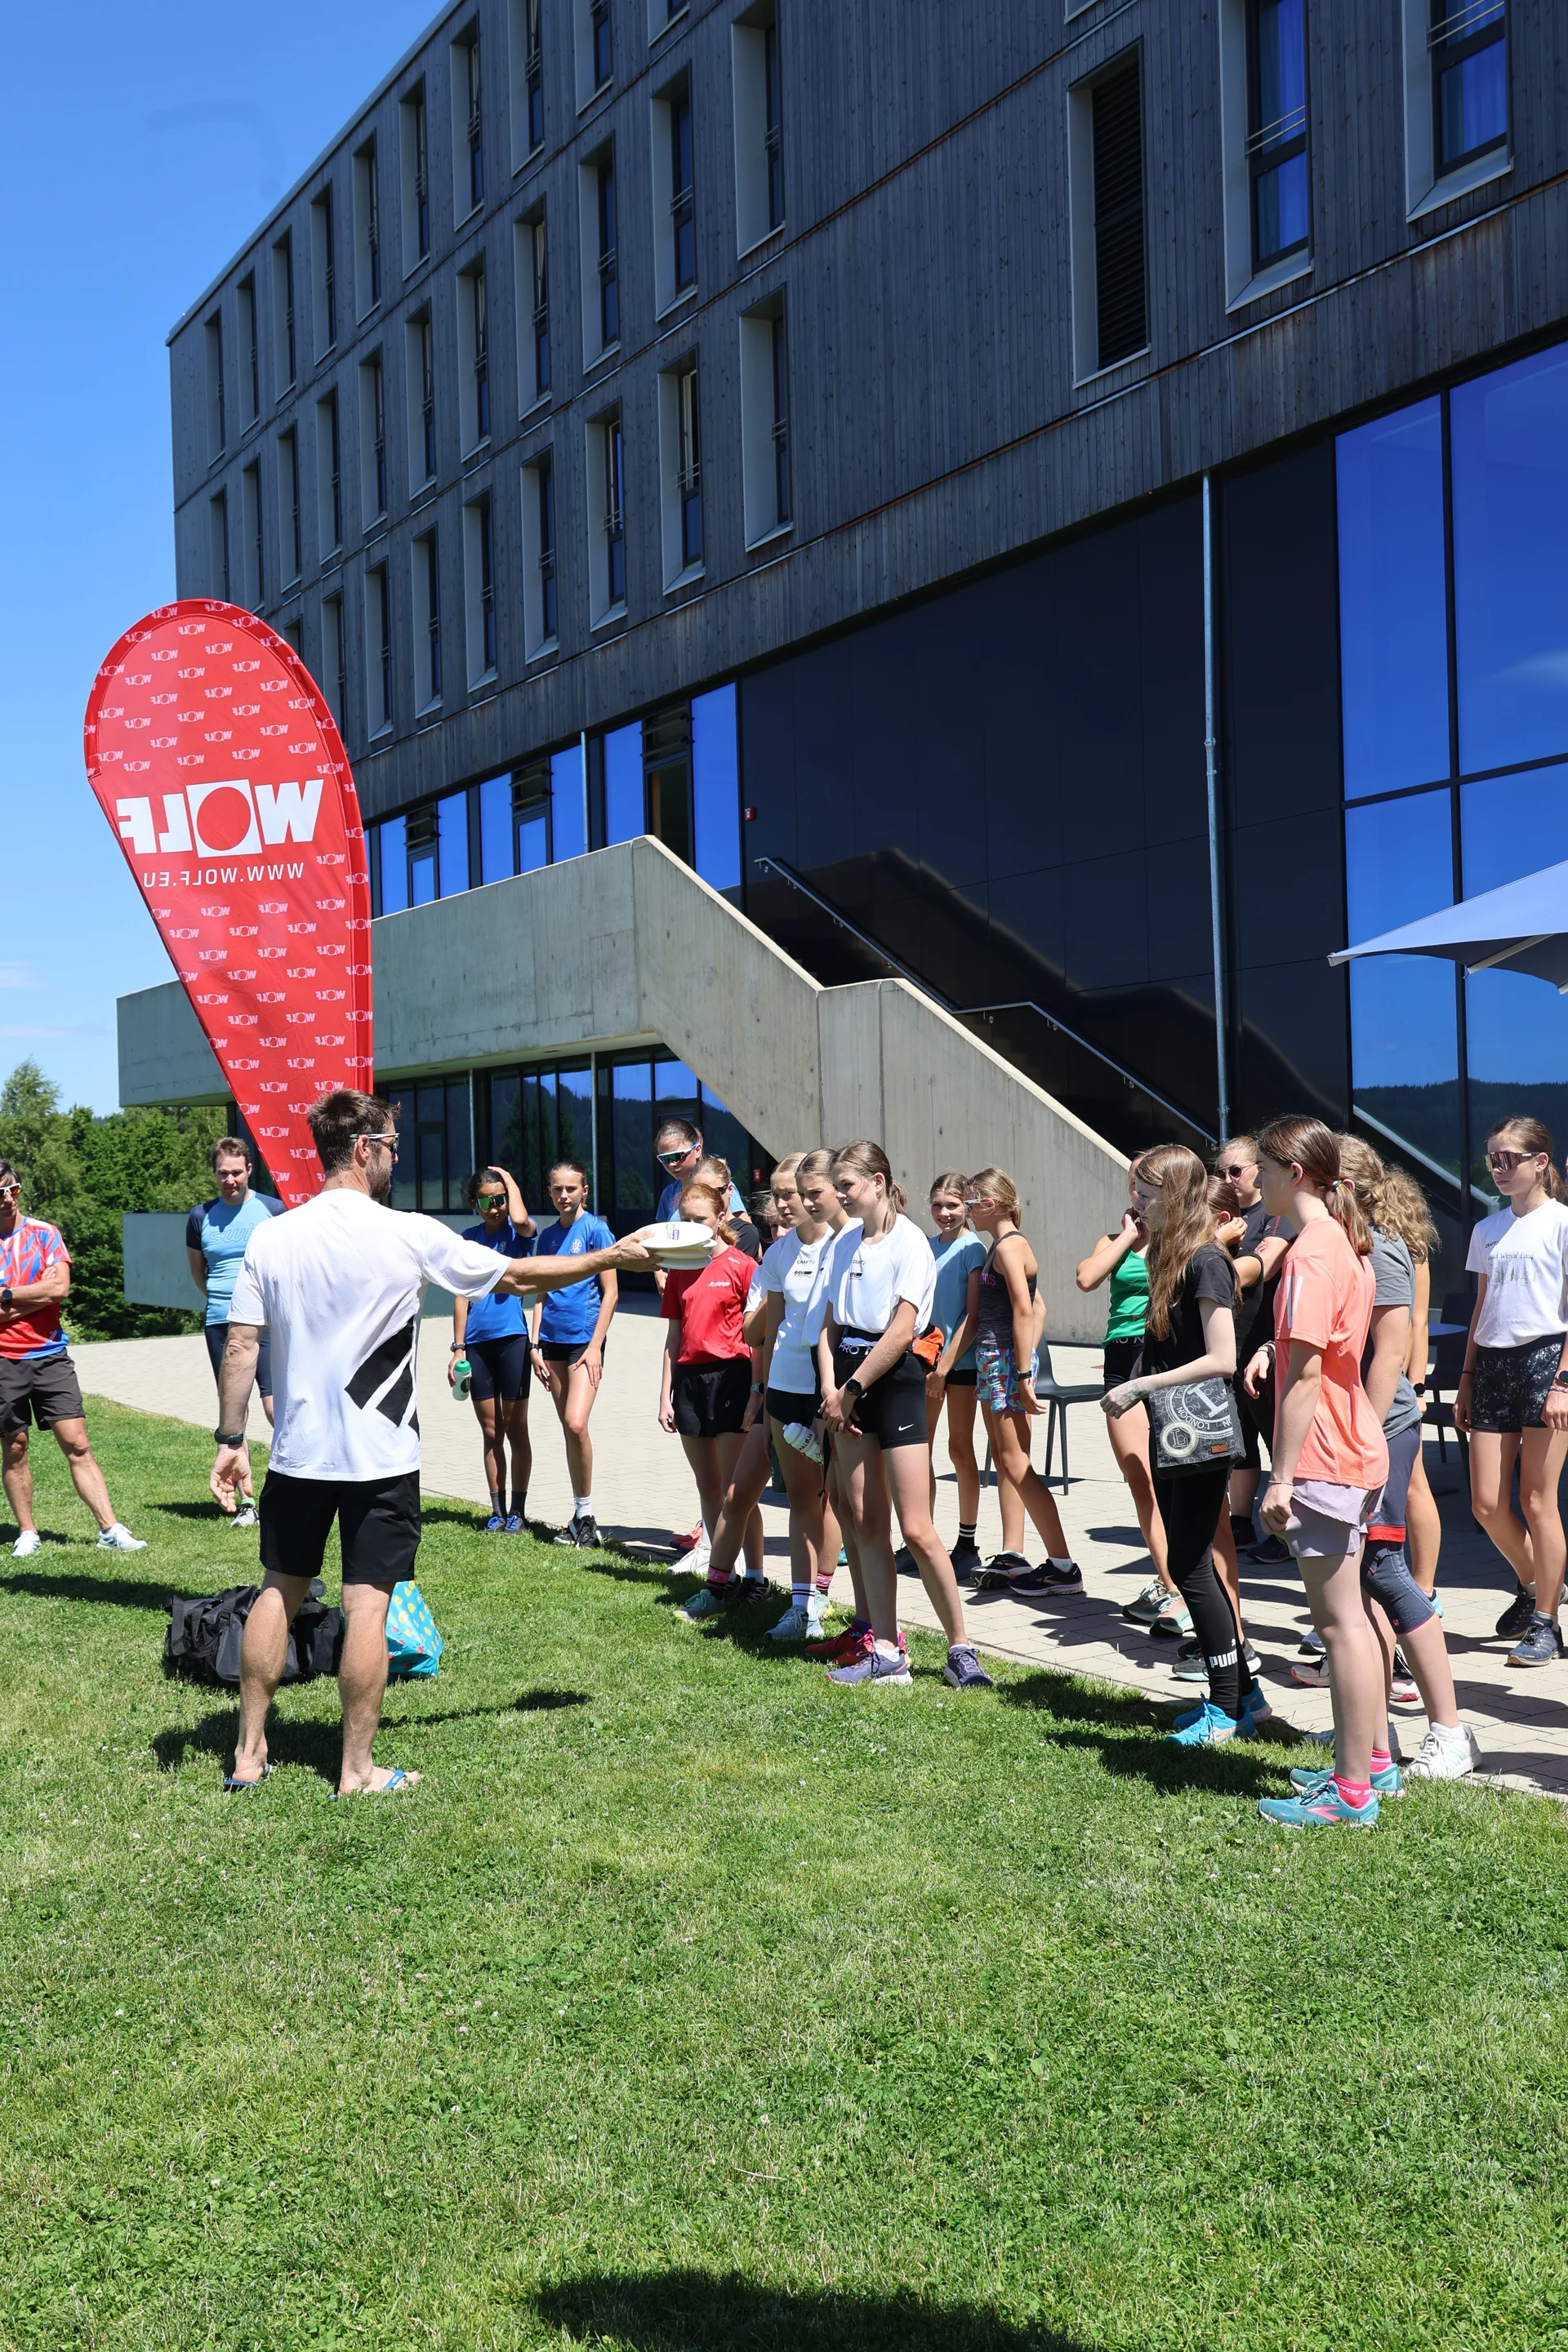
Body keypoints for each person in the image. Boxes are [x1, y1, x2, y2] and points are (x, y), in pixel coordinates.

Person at [212, 1091, 649, 1793]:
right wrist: (613, 1255)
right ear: (363, 1149)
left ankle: (248, 1755)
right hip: (380, 1456)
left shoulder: (272, 1235)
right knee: (367, 1605)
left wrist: (231, 1438)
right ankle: (355, 1770)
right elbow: (517, 1274)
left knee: (277, 1592)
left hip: (297, 1453)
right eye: (389, 1142)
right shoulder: (406, 1232)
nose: (395, 1155)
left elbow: (240, 1344)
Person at [1281, 1137, 1476, 1787]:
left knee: (1387, 1573)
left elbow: (1390, 1358)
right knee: (1366, 1579)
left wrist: (1352, 1437)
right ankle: (1373, 1745)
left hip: (1376, 1432)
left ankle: (1448, 1729)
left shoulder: (1378, 1249)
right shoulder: (1350, 1244)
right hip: (1361, 1433)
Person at [1240, 1116, 1389, 1828]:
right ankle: (1373, 1765)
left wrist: (1280, 1477)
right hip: (1352, 1444)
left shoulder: (1310, 1251)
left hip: (1327, 1455)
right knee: (1351, 1618)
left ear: (1295, 1173)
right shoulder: (1342, 1242)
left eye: (1263, 1169)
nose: (1255, 1181)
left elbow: (1304, 1379)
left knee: (1339, 1627)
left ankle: (1351, 1790)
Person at [817, 1141, 992, 1690]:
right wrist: (831, 1386)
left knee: (915, 1526)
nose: (840, 1194)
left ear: (877, 1180)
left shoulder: (912, 1242)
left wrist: (852, 1387)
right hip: (846, 1378)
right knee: (865, 1519)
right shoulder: (845, 1241)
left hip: (891, 1378)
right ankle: (887, 1651)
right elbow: (827, 1324)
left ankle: (961, 1648)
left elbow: (901, 1329)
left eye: (846, 1184)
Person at [1102, 1145, 1260, 1749]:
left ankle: (1225, 1708)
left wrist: (1139, 1384)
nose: (1134, 1204)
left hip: (1200, 1429)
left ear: (1173, 1195)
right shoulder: (1170, 1254)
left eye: (1144, 1193)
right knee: (1191, 1565)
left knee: (1190, 1568)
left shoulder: (1205, 1262)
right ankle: (1243, 1697)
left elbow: (1222, 1358)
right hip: (1176, 1428)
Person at [682, 1152, 835, 1633]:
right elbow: (753, 1332)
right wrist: (757, 1389)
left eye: (792, 1193)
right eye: (779, 1194)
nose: (783, 1204)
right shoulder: (777, 1254)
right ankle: (716, 1588)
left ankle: (815, 1597)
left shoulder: (837, 1246)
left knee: (815, 1502)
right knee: (737, 1493)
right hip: (775, 1391)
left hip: (819, 1395)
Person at [933, 1167, 1081, 1597]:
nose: (968, 1209)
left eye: (973, 1201)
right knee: (1005, 1460)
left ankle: (1062, 1565)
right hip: (995, 1363)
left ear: (991, 1204)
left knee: (1016, 1465)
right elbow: (1036, 1308)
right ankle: (1025, 1556)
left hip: (1002, 1364)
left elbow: (1024, 1308)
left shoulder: (1009, 1247)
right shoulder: (1002, 1246)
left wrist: (1020, 1370)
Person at [1454, 1116, 1568, 1668]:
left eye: (1510, 1159)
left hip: (1548, 1359)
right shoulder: (1487, 1229)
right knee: (1486, 1503)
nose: (1499, 1168)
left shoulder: (1562, 1224)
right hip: (1493, 1365)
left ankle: (1547, 1620)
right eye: (1493, 1159)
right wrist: (1467, 1377)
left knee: (1537, 1500)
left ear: (1540, 1162)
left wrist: (1564, 1381)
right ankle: (1535, 1586)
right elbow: (1482, 1307)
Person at [0, 1159, 145, 1558]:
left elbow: (59, 1287)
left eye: (13, 1188)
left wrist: (8, 1295)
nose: (9, 1198)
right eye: (1, 1193)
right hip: (4, 1360)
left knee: (78, 1444)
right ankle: (27, 1532)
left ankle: (109, 1528)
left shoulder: (45, 1234)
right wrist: (38, 1292)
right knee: (15, 1447)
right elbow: (46, 1291)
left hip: (50, 1355)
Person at [1076, 1164, 1175, 1625]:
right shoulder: (1113, 1242)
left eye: (1147, 1185)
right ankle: (1171, 1586)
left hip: (1166, 1356)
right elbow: (1087, 1277)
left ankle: (1177, 1581)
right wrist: (1125, 1237)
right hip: (1122, 1355)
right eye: (1134, 1184)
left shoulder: (1179, 1239)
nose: (1138, 1192)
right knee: (1142, 1479)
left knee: (1173, 1479)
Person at [661, 1179, 768, 1599]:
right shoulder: (678, 1269)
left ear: (722, 1217)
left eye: (700, 1219)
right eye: (685, 1220)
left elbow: (759, 1337)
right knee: (708, 1487)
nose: (692, 1226)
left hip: (733, 1378)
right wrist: (665, 1395)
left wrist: (756, 1393)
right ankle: (724, 1567)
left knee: (737, 1490)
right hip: (690, 1382)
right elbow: (673, 1338)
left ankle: (756, 1575)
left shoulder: (743, 1266)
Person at [185, 1134, 286, 1526]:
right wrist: (225, 1306)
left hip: (268, 1322)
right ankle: (247, 1504)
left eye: (237, 1172)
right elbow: (200, 1274)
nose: (230, 1179)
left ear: (249, 1171)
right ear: (215, 1174)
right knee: (235, 1411)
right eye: (223, 1173)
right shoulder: (199, 1217)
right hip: (220, 1325)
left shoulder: (272, 1209)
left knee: (277, 1407)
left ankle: (296, 1485)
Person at [529, 1158, 618, 1550]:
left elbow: (612, 1292)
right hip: (551, 1343)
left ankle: (587, 1514)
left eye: (571, 1188)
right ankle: (580, 1516)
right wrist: (534, 1345)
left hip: (585, 1342)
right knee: (569, 1429)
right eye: (557, 1189)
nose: (564, 1195)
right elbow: (540, 1292)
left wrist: (597, 1344)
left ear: (585, 1190)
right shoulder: (547, 1238)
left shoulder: (597, 1231)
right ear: (549, 1192)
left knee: (576, 1422)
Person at [1210, 1136, 1292, 1559]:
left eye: (1235, 1171)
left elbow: (1262, 1265)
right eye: (1220, 1172)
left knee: (1278, 1438)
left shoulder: (1275, 1214)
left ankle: (1285, 1531)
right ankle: (1240, 1522)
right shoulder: (1224, 1216)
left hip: (1268, 1346)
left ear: (1259, 1170)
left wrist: (1206, 1259)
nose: (1227, 1178)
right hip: (1234, 1349)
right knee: (1238, 1439)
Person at [449, 1165, 537, 1532]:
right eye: (487, 1201)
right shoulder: (467, 1239)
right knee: (491, 1431)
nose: (496, 1207)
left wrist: (511, 1181)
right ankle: (497, 1511)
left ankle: (518, 1511)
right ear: (474, 1203)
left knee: (516, 1427)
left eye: (500, 1199)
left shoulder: (520, 1236)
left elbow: (521, 1220)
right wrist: (458, 1348)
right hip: (478, 1346)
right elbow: (460, 1295)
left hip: (513, 1340)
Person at [920, 1174, 986, 1580]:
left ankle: (967, 1542)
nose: (945, 1213)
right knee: (918, 1452)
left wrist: (944, 1367)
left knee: (959, 1449)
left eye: (953, 1205)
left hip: (958, 1366)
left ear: (968, 1207)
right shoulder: (927, 1248)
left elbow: (972, 1317)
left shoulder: (972, 1248)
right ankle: (919, 1537)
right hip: (926, 1363)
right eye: (938, 1205)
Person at [1382, 1163, 1443, 1600]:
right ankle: (1421, 1585)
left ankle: (1422, 1586)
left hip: (1394, 1381)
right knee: (1411, 1487)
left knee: (1411, 1487)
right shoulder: (1410, 1248)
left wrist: (1415, 1387)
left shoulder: (1403, 1251)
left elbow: (1417, 1324)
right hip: (1399, 1378)